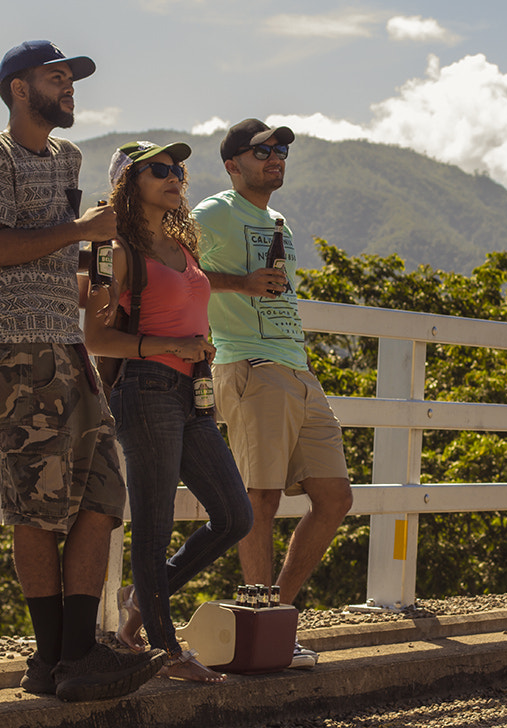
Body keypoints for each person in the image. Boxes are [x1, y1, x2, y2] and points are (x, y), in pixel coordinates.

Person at [0, 40, 166, 701]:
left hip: (69, 347)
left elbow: (65, 246)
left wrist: (92, 270)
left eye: (72, 78)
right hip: (17, 350)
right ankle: (52, 661)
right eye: (58, 78)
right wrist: (80, 232)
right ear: (20, 89)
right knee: (36, 506)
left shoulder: (70, 158)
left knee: (104, 497)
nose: (70, 87)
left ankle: (77, 656)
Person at [83, 140, 253, 682]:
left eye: (179, 168)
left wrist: (197, 348)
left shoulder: (184, 245)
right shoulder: (119, 251)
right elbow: (95, 337)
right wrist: (167, 347)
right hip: (147, 390)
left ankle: (140, 602)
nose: (175, 175)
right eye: (159, 169)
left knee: (233, 515)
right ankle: (167, 651)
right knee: (153, 527)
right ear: (128, 183)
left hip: (193, 392)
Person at [191, 119, 354, 670]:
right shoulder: (214, 212)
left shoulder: (276, 219)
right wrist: (239, 284)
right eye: (263, 150)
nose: (276, 156)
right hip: (250, 364)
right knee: (260, 500)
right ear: (233, 163)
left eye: (281, 149)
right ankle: (262, 634)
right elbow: (174, 269)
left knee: (334, 498)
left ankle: (276, 616)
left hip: (297, 369)